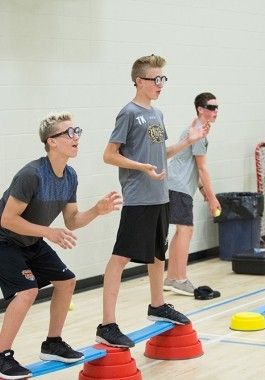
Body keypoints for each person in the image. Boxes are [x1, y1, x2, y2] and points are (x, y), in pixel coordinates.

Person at [96, 54, 210, 348]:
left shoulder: (157, 115)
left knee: (158, 255)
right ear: (139, 81)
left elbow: (162, 154)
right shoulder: (128, 113)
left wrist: (188, 140)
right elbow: (109, 155)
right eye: (154, 79)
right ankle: (107, 324)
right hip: (138, 198)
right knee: (120, 258)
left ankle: (157, 305)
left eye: (163, 79)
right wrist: (141, 167)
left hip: (161, 197)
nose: (160, 84)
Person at [0, 112, 122, 379]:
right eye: (68, 132)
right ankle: (2, 355)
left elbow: (72, 221)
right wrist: (48, 232)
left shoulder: (70, 176)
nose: (75, 136)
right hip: (4, 240)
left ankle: (52, 343)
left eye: (76, 131)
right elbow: (8, 220)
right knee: (27, 291)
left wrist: (96, 211)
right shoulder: (31, 175)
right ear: (51, 141)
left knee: (66, 281)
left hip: (31, 240)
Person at [163, 92, 221, 296]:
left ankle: (171, 278)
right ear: (200, 109)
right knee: (185, 230)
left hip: (178, 186)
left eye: (217, 107)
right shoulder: (197, 133)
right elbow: (203, 169)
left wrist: (204, 190)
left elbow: (193, 168)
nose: (215, 111)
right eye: (211, 107)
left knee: (182, 231)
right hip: (178, 187)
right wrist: (213, 198)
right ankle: (180, 279)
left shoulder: (197, 131)